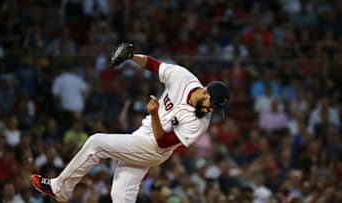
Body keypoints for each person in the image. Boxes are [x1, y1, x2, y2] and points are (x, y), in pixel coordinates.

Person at [31, 43, 230, 202]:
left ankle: (60, 188)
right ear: (205, 91)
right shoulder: (183, 78)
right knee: (120, 196)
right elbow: (154, 65)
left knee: (96, 142)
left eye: (215, 109)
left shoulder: (200, 122)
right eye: (212, 104)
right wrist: (131, 56)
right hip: (141, 136)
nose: (211, 110)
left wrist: (153, 115)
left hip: (155, 148)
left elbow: (162, 143)